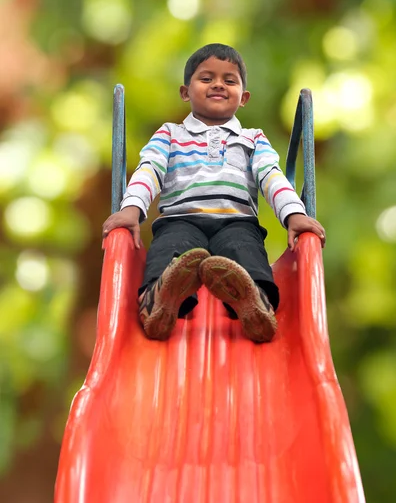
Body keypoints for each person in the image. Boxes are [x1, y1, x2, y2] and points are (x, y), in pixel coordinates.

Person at [103, 43, 326, 343]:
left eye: (229, 80)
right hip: (181, 219)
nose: (218, 84)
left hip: (237, 222)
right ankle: (159, 301)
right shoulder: (170, 135)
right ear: (185, 92)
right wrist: (132, 208)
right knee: (172, 251)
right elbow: (149, 170)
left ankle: (256, 303)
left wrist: (294, 214)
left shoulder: (253, 139)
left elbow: (271, 177)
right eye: (206, 78)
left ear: (243, 97)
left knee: (245, 252)